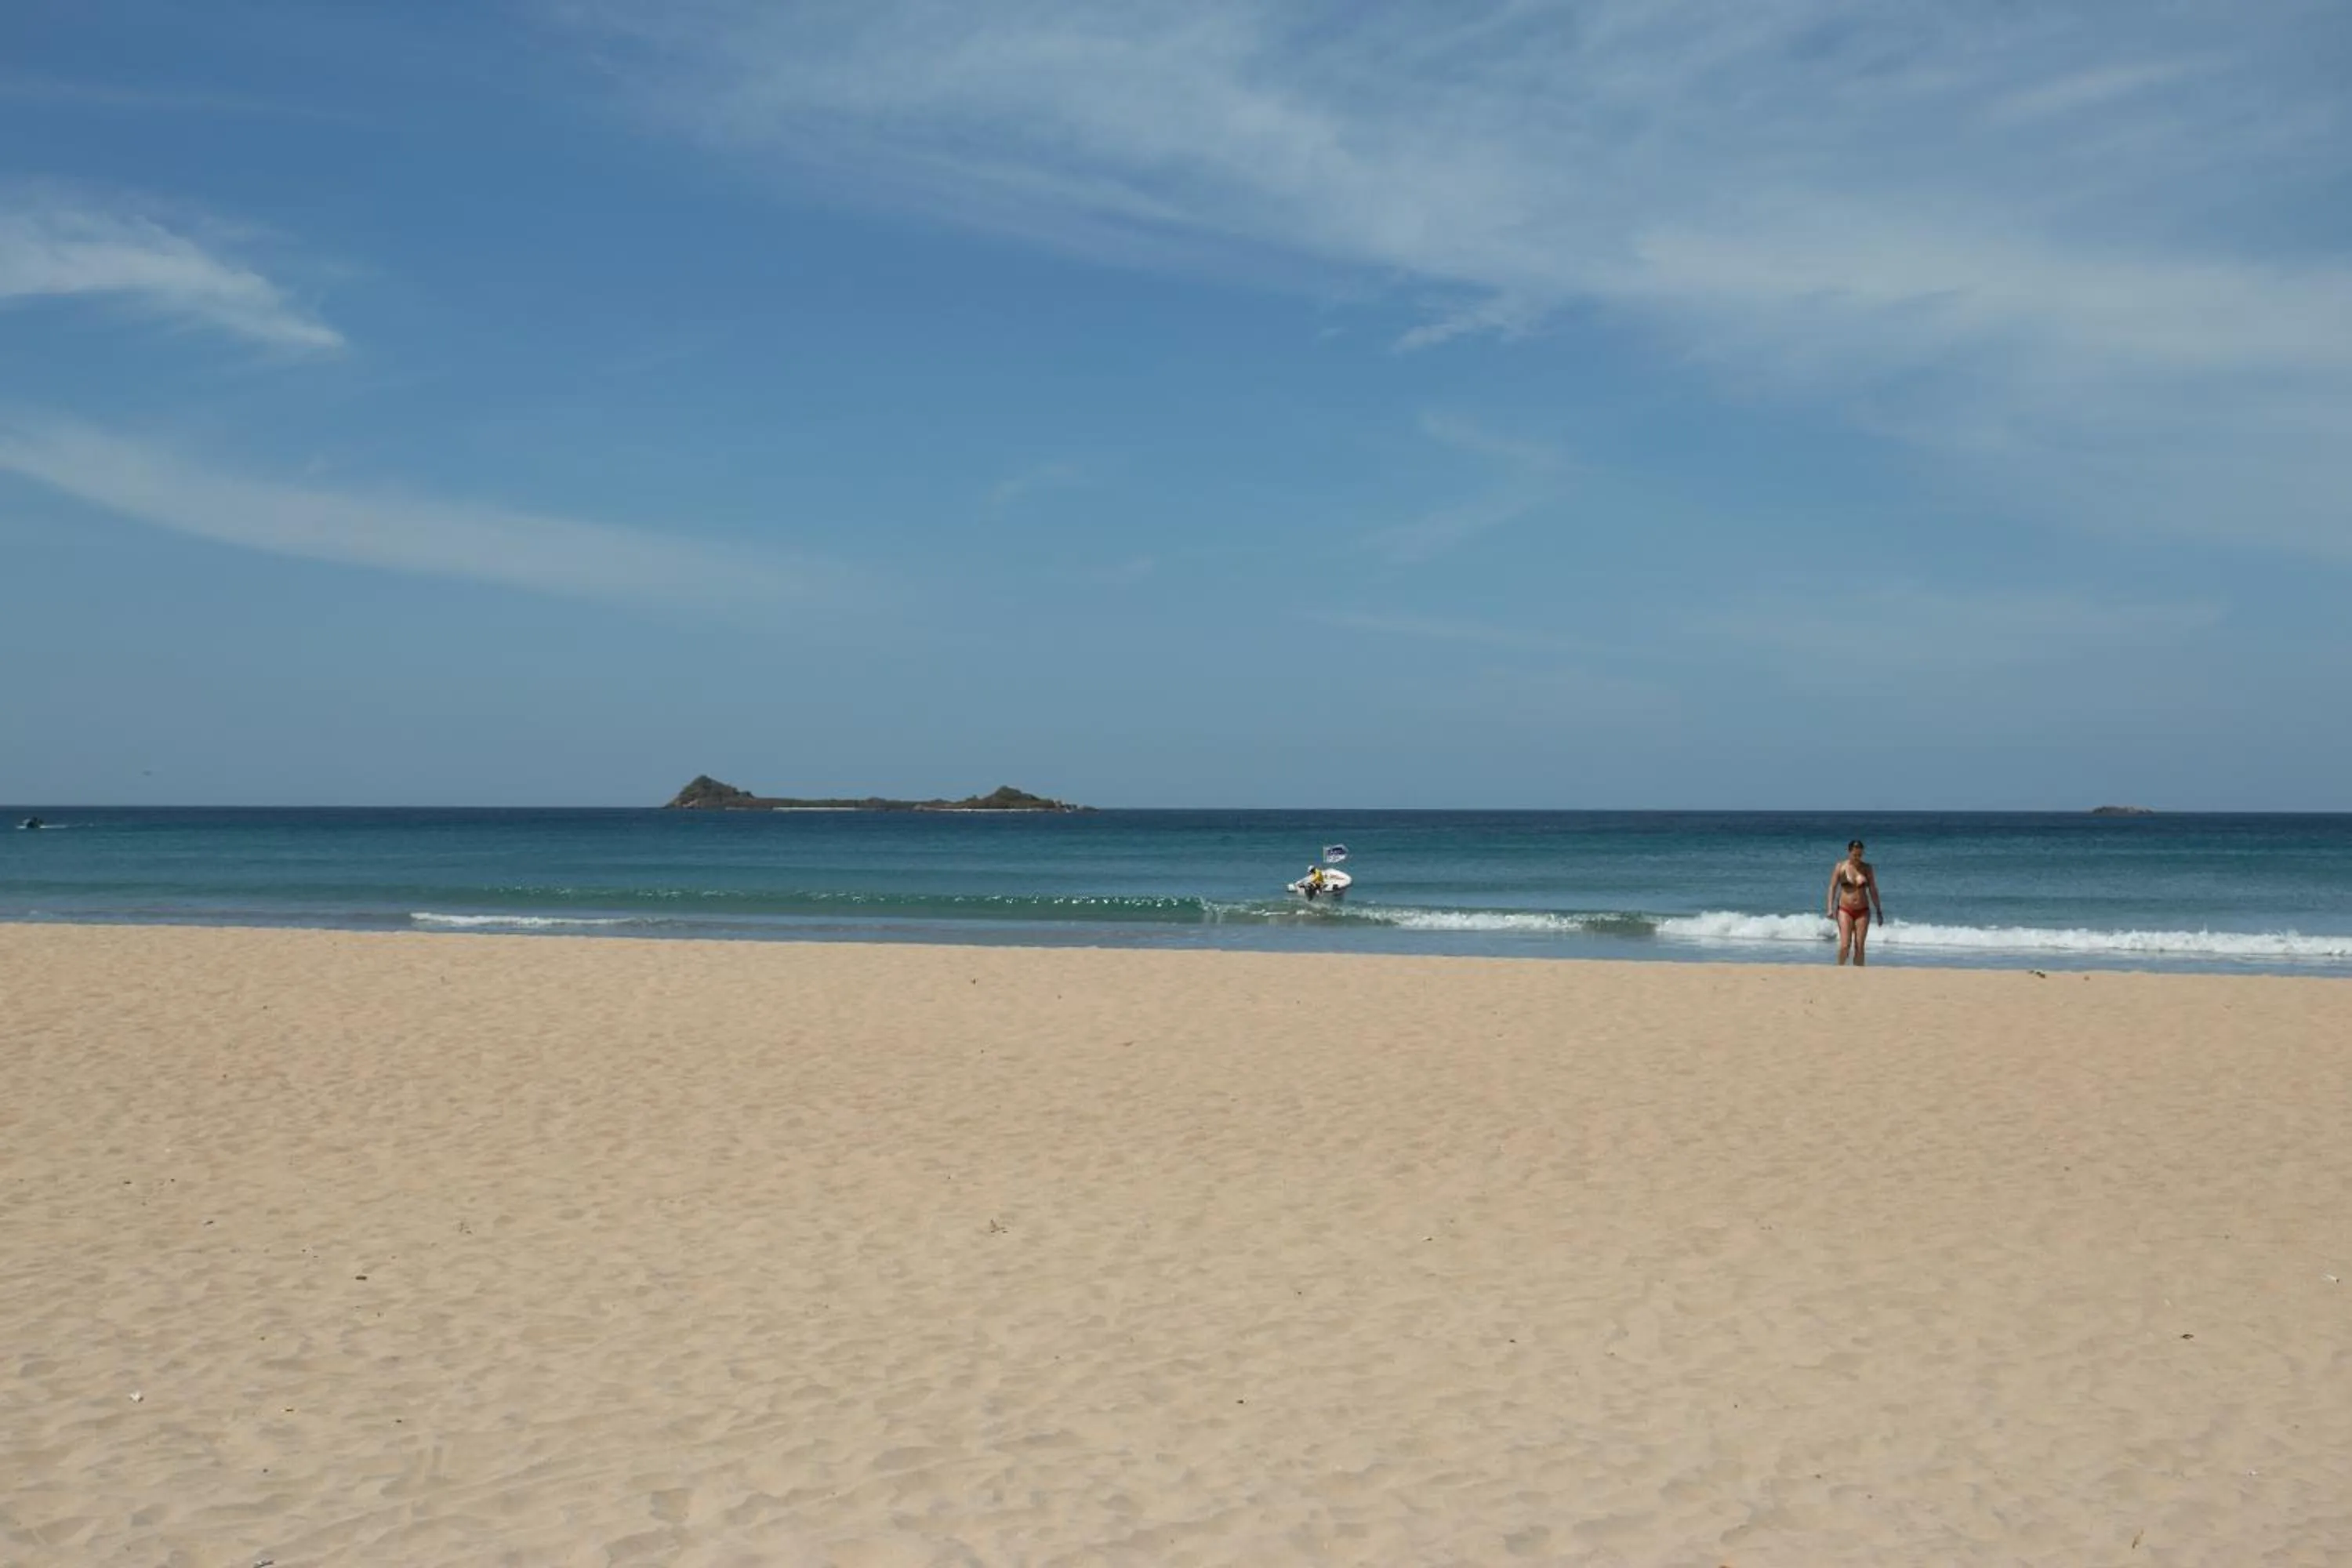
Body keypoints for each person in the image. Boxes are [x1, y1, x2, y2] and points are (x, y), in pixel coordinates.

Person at [1825, 839, 1884, 966]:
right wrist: (1830, 908)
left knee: (1860, 947)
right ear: (1849, 852)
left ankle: (1858, 976)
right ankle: (1839, 970)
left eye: (1860, 855)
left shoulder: (1867, 868)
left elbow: (1873, 890)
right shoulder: (1840, 867)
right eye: (1855, 855)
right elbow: (1832, 887)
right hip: (1845, 910)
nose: (1858, 858)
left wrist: (1879, 910)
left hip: (1863, 911)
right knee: (1845, 945)